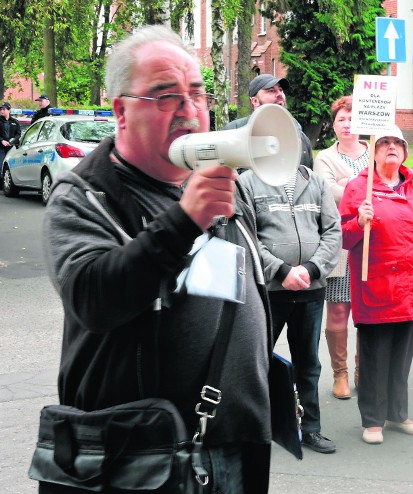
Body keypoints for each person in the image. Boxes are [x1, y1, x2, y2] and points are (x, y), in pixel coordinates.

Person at [41, 25, 272, 492]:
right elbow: (93, 297)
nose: (189, 110)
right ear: (121, 111)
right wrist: (185, 220)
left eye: (197, 94)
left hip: (234, 442)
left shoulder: (211, 181)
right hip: (143, 453)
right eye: (166, 96)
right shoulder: (85, 195)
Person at [340, 124, 413, 445]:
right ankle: (373, 420)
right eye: (384, 142)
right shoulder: (358, 187)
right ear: (373, 150)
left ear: (406, 151)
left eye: (397, 142)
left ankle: (397, 413)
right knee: (375, 354)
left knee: (402, 354)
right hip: (377, 286)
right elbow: (342, 236)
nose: (391, 147)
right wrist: (358, 222)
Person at [239, 156, 341, 454]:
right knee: (255, 360)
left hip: (311, 288)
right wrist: (281, 271)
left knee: (308, 362)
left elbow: (333, 231)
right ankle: (252, 427)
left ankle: (309, 428)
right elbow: (245, 234)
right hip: (268, 290)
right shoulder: (247, 182)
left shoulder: (316, 181)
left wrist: (311, 268)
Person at [314, 95, 369, 399]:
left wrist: (347, 184)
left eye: (352, 118)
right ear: (333, 125)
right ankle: (341, 374)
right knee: (338, 307)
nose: (347, 124)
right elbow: (329, 193)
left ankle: (363, 370)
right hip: (339, 241)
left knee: (367, 309)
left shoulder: (374, 152)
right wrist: (360, 185)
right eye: (341, 119)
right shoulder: (324, 157)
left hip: (372, 244)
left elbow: (386, 185)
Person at [223, 73, 313, 170]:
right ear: (255, 101)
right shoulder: (233, 131)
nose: (279, 94)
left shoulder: (301, 137)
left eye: (281, 90)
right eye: (271, 91)